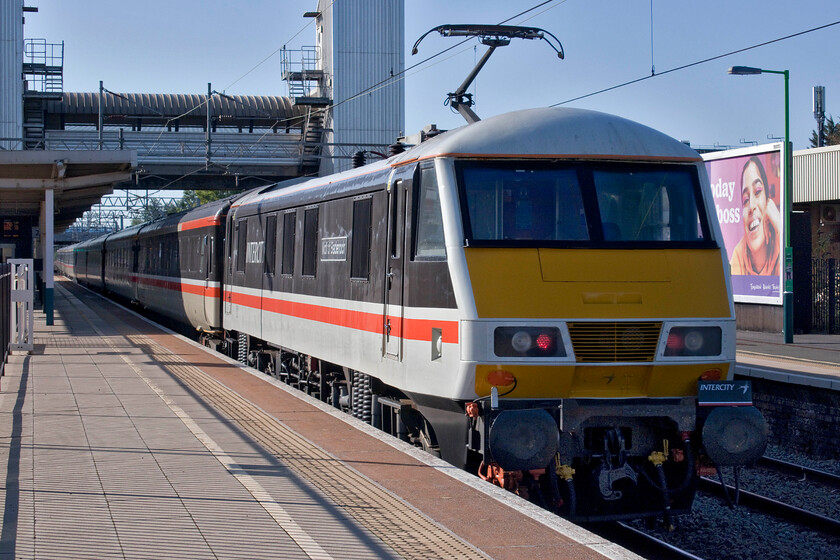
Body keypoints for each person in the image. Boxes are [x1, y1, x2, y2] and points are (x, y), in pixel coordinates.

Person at [729, 156, 781, 276]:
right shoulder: (739, 254)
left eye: (758, 192)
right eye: (746, 199)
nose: (751, 205)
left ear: (768, 201)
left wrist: (779, 226)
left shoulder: (779, 242)